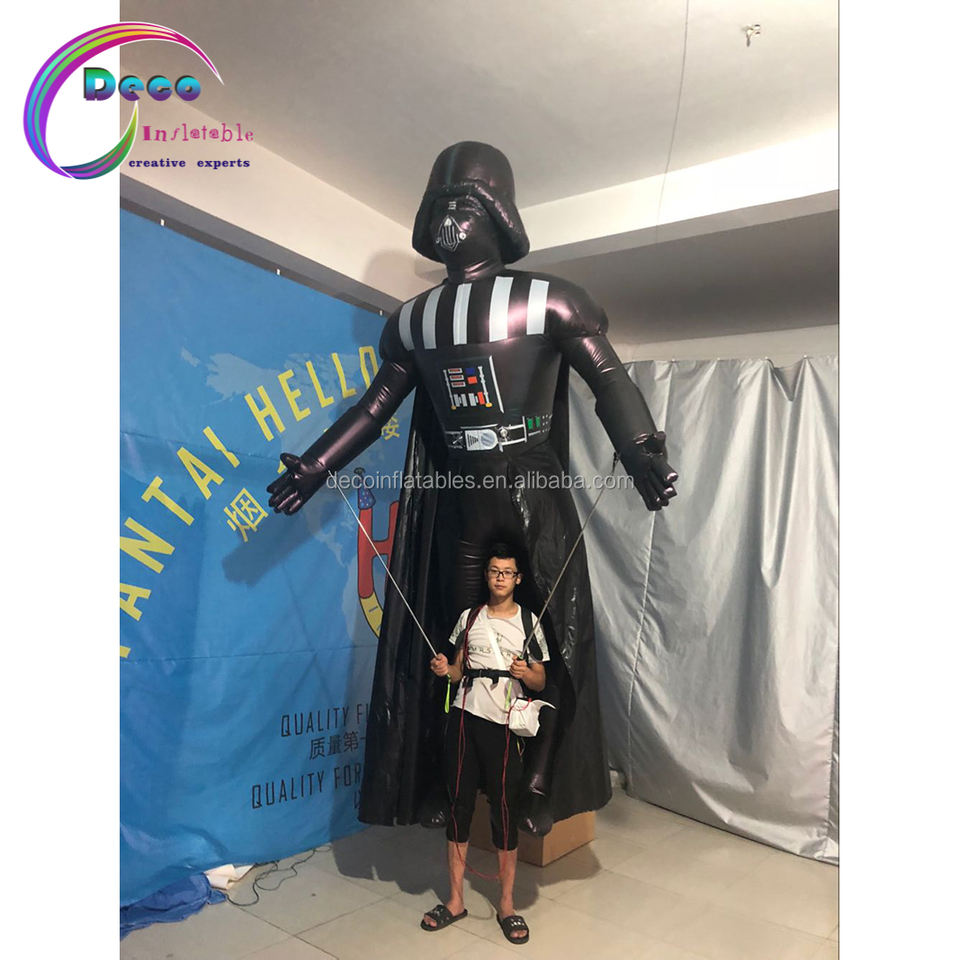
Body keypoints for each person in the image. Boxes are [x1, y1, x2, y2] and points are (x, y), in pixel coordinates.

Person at [267, 141, 678, 838]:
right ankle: (451, 781)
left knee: (554, 641)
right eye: (438, 205)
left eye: (464, 203)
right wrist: (314, 465)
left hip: (533, 490)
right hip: (459, 497)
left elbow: (608, 378)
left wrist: (640, 450)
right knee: (459, 650)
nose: (449, 219)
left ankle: (541, 783)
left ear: (498, 214)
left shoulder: (550, 300)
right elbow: (374, 409)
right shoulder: (413, 320)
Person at [420, 542, 546, 944]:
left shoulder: (528, 621)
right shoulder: (469, 617)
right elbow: (458, 672)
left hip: (504, 726)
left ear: (517, 579)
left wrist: (526, 674)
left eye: (507, 572)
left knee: (504, 810)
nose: (500, 578)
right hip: (463, 720)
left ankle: (507, 905)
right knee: (459, 807)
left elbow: (541, 680)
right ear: (487, 575)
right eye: (494, 571)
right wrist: (445, 668)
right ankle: (456, 900)